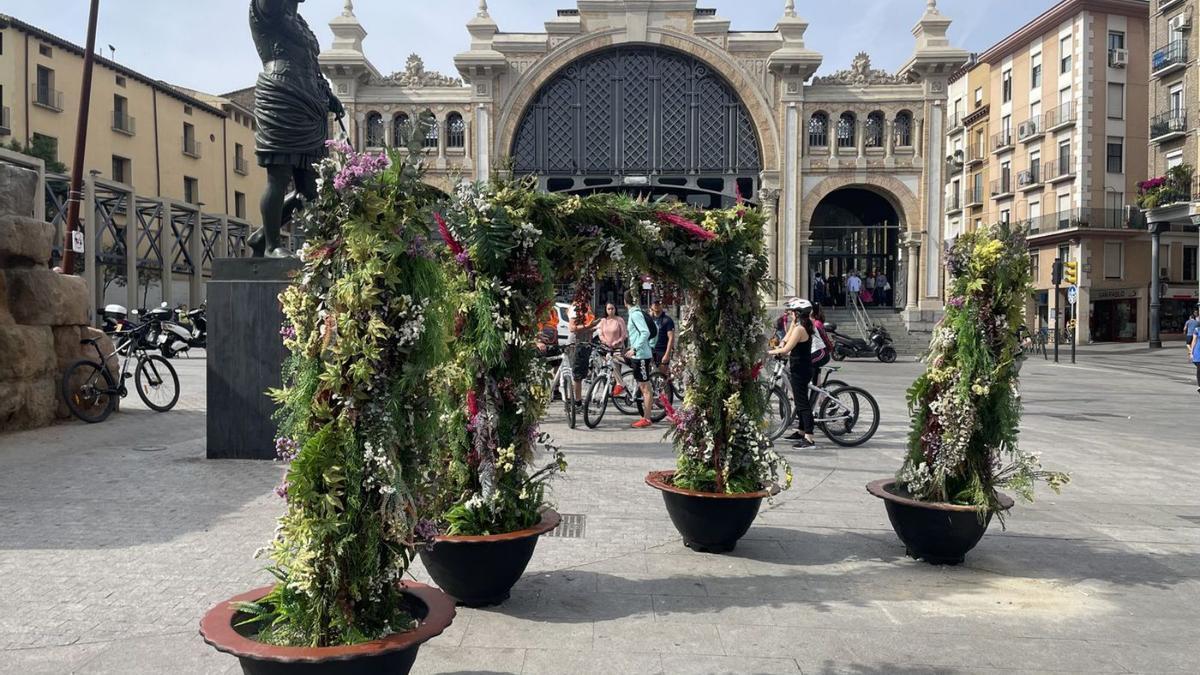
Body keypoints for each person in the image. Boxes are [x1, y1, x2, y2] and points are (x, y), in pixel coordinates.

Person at [248, 0, 345, 258]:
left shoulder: (299, 21)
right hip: (282, 96)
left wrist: (328, 95)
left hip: (310, 104)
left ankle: (261, 236)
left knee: (310, 191)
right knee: (278, 175)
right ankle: (271, 246)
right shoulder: (269, 10)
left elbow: (312, 67)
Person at [768, 297, 816, 448]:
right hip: (799, 367)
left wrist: (768, 352)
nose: (789, 314)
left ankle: (809, 438)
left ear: (798, 313)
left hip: (801, 369)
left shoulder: (801, 329)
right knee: (799, 400)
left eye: (792, 312)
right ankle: (801, 431)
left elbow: (787, 349)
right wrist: (781, 343)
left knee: (802, 403)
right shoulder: (799, 325)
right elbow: (788, 336)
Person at [624, 291, 656, 428]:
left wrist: (635, 349)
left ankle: (647, 419)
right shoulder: (634, 313)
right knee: (615, 358)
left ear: (625, 302)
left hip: (641, 355)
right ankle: (620, 384)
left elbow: (645, 332)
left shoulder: (635, 314)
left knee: (645, 387)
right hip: (637, 355)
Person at [568, 302, 599, 406]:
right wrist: (588, 326)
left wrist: (592, 328)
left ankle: (578, 401)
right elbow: (572, 328)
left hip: (586, 343)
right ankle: (577, 403)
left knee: (581, 374)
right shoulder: (575, 307)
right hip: (577, 343)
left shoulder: (587, 306)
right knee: (577, 375)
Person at [597, 302, 628, 395]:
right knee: (606, 369)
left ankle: (619, 385)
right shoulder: (603, 321)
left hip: (617, 348)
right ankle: (609, 389)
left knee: (615, 365)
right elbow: (600, 334)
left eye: (612, 308)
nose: (611, 311)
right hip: (606, 348)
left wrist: (617, 342)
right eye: (609, 309)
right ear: (606, 310)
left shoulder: (619, 320)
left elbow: (624, 334)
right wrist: (605, 342)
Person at [650, 299, 676, 378]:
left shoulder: (667, 320)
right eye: (654, 303)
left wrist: (667, 354)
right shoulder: (649, 319)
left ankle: (669, 389)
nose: (656, 305)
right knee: (650, 376)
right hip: (650, 350)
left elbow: (671, 338)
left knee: (663, 376)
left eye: (658, 303)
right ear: (651, 306)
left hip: (662, 350)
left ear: (662, 305)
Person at [1191, 320, 1200, 395]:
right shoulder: (1197, 329)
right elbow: (1193, 341)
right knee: (1199, 369)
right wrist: (1191, 352)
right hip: (1198, 352)